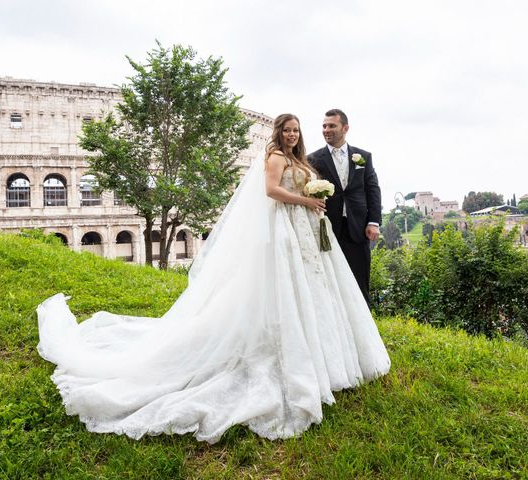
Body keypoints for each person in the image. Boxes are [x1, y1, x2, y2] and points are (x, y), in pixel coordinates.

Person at [37, 113, 390, 444]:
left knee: (313, 290)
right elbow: (270, 191)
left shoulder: (301, 160)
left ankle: (324, 353)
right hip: (287, 227)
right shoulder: (275, 158)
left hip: (305, 230)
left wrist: (315, 200)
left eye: (296, 130)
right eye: (287, 130)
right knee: (285, 287)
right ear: (278, 133)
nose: (292, 134)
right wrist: (304, 200)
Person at [308, 109, 381, 305]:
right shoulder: (313, 159)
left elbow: (372, 190)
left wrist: (373, 222)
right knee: (329, 280)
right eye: (324, 126)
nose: (326, 130)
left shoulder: (363, 156)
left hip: (358, 227)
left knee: (359, 280)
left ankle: (365, 329)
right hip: (327, 229)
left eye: (331, 125)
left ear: (345, 128)